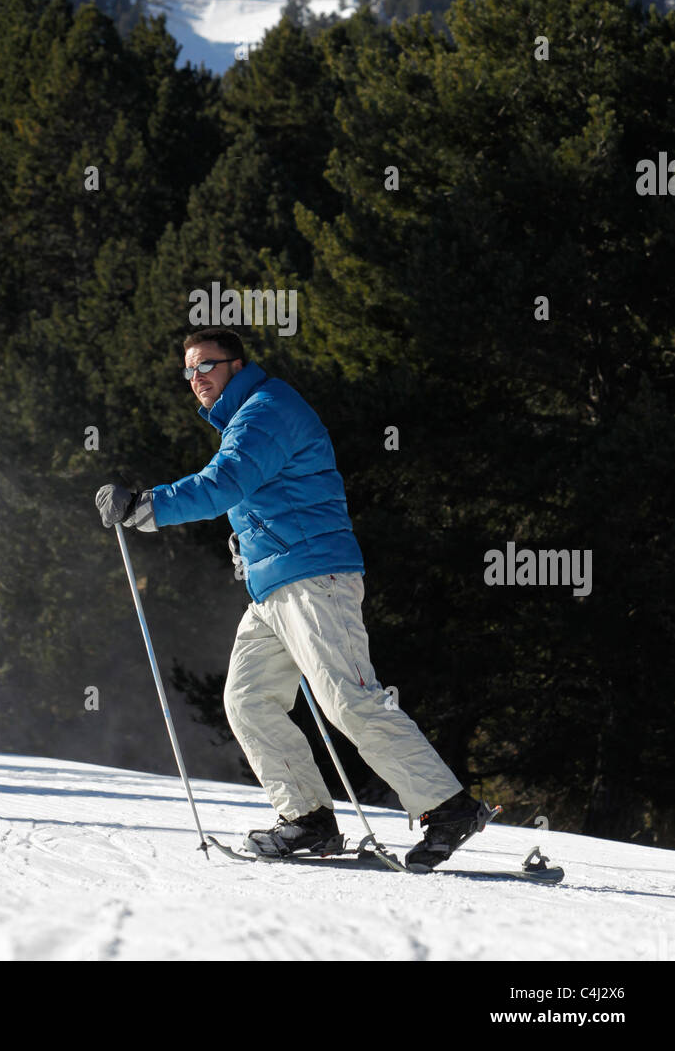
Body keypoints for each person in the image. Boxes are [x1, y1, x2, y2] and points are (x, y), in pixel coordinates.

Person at [96, 327, 489, 869]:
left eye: (206, 365)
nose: (197, 378)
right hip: (274, 587)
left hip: (314, 578)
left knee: (349, 699)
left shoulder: (266, 410)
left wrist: (147, 505)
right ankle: (308, 819)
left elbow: (225, 482)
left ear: (237, 364)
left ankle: (449, 808)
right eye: (188, 371)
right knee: (248, 699)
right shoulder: (245, 417)